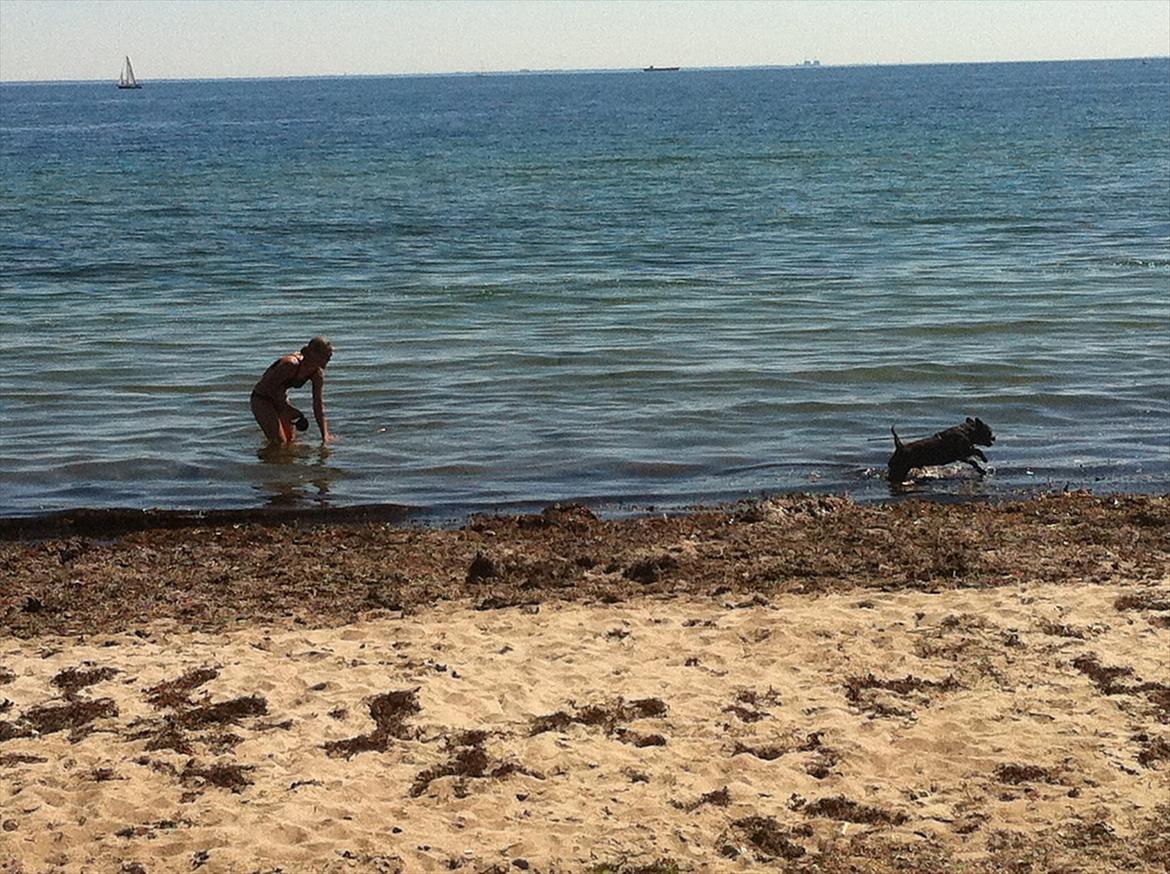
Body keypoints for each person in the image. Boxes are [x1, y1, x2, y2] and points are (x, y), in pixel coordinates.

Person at [251, 336, 334, 444]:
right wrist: (288, 409)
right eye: (325, 355)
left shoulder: (317, 375)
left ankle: (275, 459)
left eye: (329, 355)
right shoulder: (290, 364)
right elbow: (269, 388)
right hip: (262, 399)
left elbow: (318, 405)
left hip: (280, 399)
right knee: (279, 442)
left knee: (291, 442)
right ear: (312, 353)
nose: (329, 358)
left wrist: (325, 435)